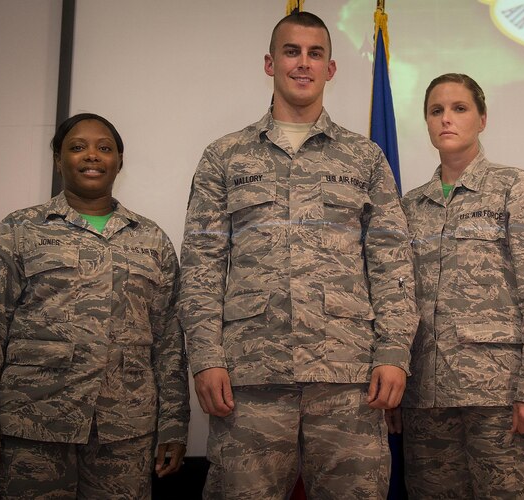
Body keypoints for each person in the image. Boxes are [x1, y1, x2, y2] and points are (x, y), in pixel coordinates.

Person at [179, 11, 418, 500]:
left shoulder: (365, 158)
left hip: (349, 381)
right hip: (250, 380)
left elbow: (392, 263)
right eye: (292, 52)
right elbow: (201, 265)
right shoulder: (224, 157)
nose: (303, 63)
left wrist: (394, 352)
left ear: (330, 69)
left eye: (315, 54)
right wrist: (205, 358)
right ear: (270, 63)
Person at [0, 113, 190, 498]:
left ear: (119, 161)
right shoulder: (20, 229)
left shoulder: (152, 240)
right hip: (31, 428)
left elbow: (169, 344)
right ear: (58, 160)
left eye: (104, 148)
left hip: (124, 435)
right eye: (77, 147)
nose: (92, 155)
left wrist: (175, 424)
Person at [397, 73, 524, 498]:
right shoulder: (410, 205)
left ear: (482, 119)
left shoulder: (514, 188)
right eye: (436, 111)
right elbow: (397, 299)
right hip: (427, 401)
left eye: (459, 109)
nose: (446, 119)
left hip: (503, 399)